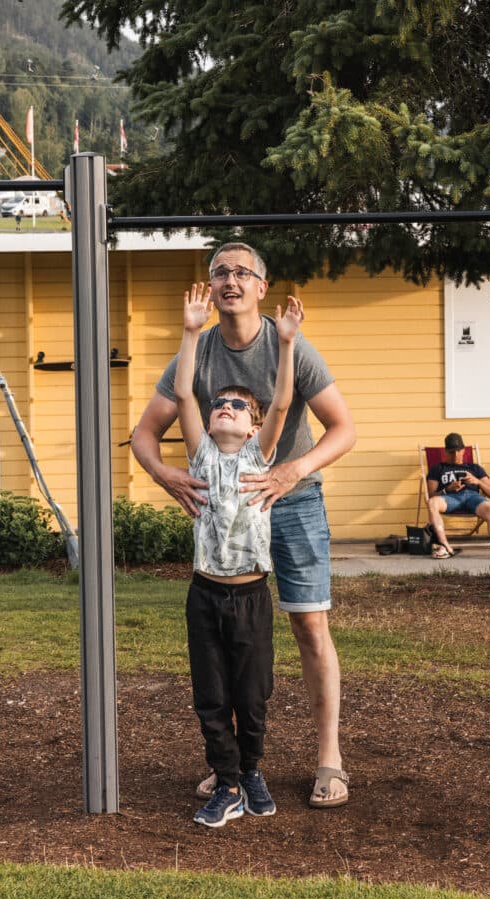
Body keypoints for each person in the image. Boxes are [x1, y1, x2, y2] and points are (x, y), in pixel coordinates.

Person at [131, 242, 356, 809]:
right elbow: (145, 433)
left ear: (261, 285)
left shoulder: (292, 349)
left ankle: (329, 758)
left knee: (309, 626)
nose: (229, 280)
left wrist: (292, 470)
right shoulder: (197, 352)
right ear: (210, 288)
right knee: (226, 647)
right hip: (227, 513)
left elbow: (342, 429)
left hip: (293, 500)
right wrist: (166, 476)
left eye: (241, 272)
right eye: (218, 273)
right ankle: (230, 767)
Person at [176, 281, 297, 827]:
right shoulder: (200, 454)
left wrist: (288, 344)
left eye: (237, 405)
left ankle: (251, 769)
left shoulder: (258, 456)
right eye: (219, 404)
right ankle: (225, 782)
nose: (224, 408)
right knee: (211, 697)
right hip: (205, 596)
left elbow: (286, 401)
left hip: (251, 596)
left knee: (252, 696)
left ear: (252, 425)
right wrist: (189, 333)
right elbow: (183, 395)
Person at [426, 432, 490, 560]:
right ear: (445, 452)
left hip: (472, 497)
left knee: (489, 507)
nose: (455, 455)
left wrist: (478, 481)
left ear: (463, 450)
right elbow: (431, 496)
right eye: (451, 452)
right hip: (449, 498)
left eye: (458, 451)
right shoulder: (437, 469)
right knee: (432, 503)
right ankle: (444, 546)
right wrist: (447, 489)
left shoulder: (475, 468)